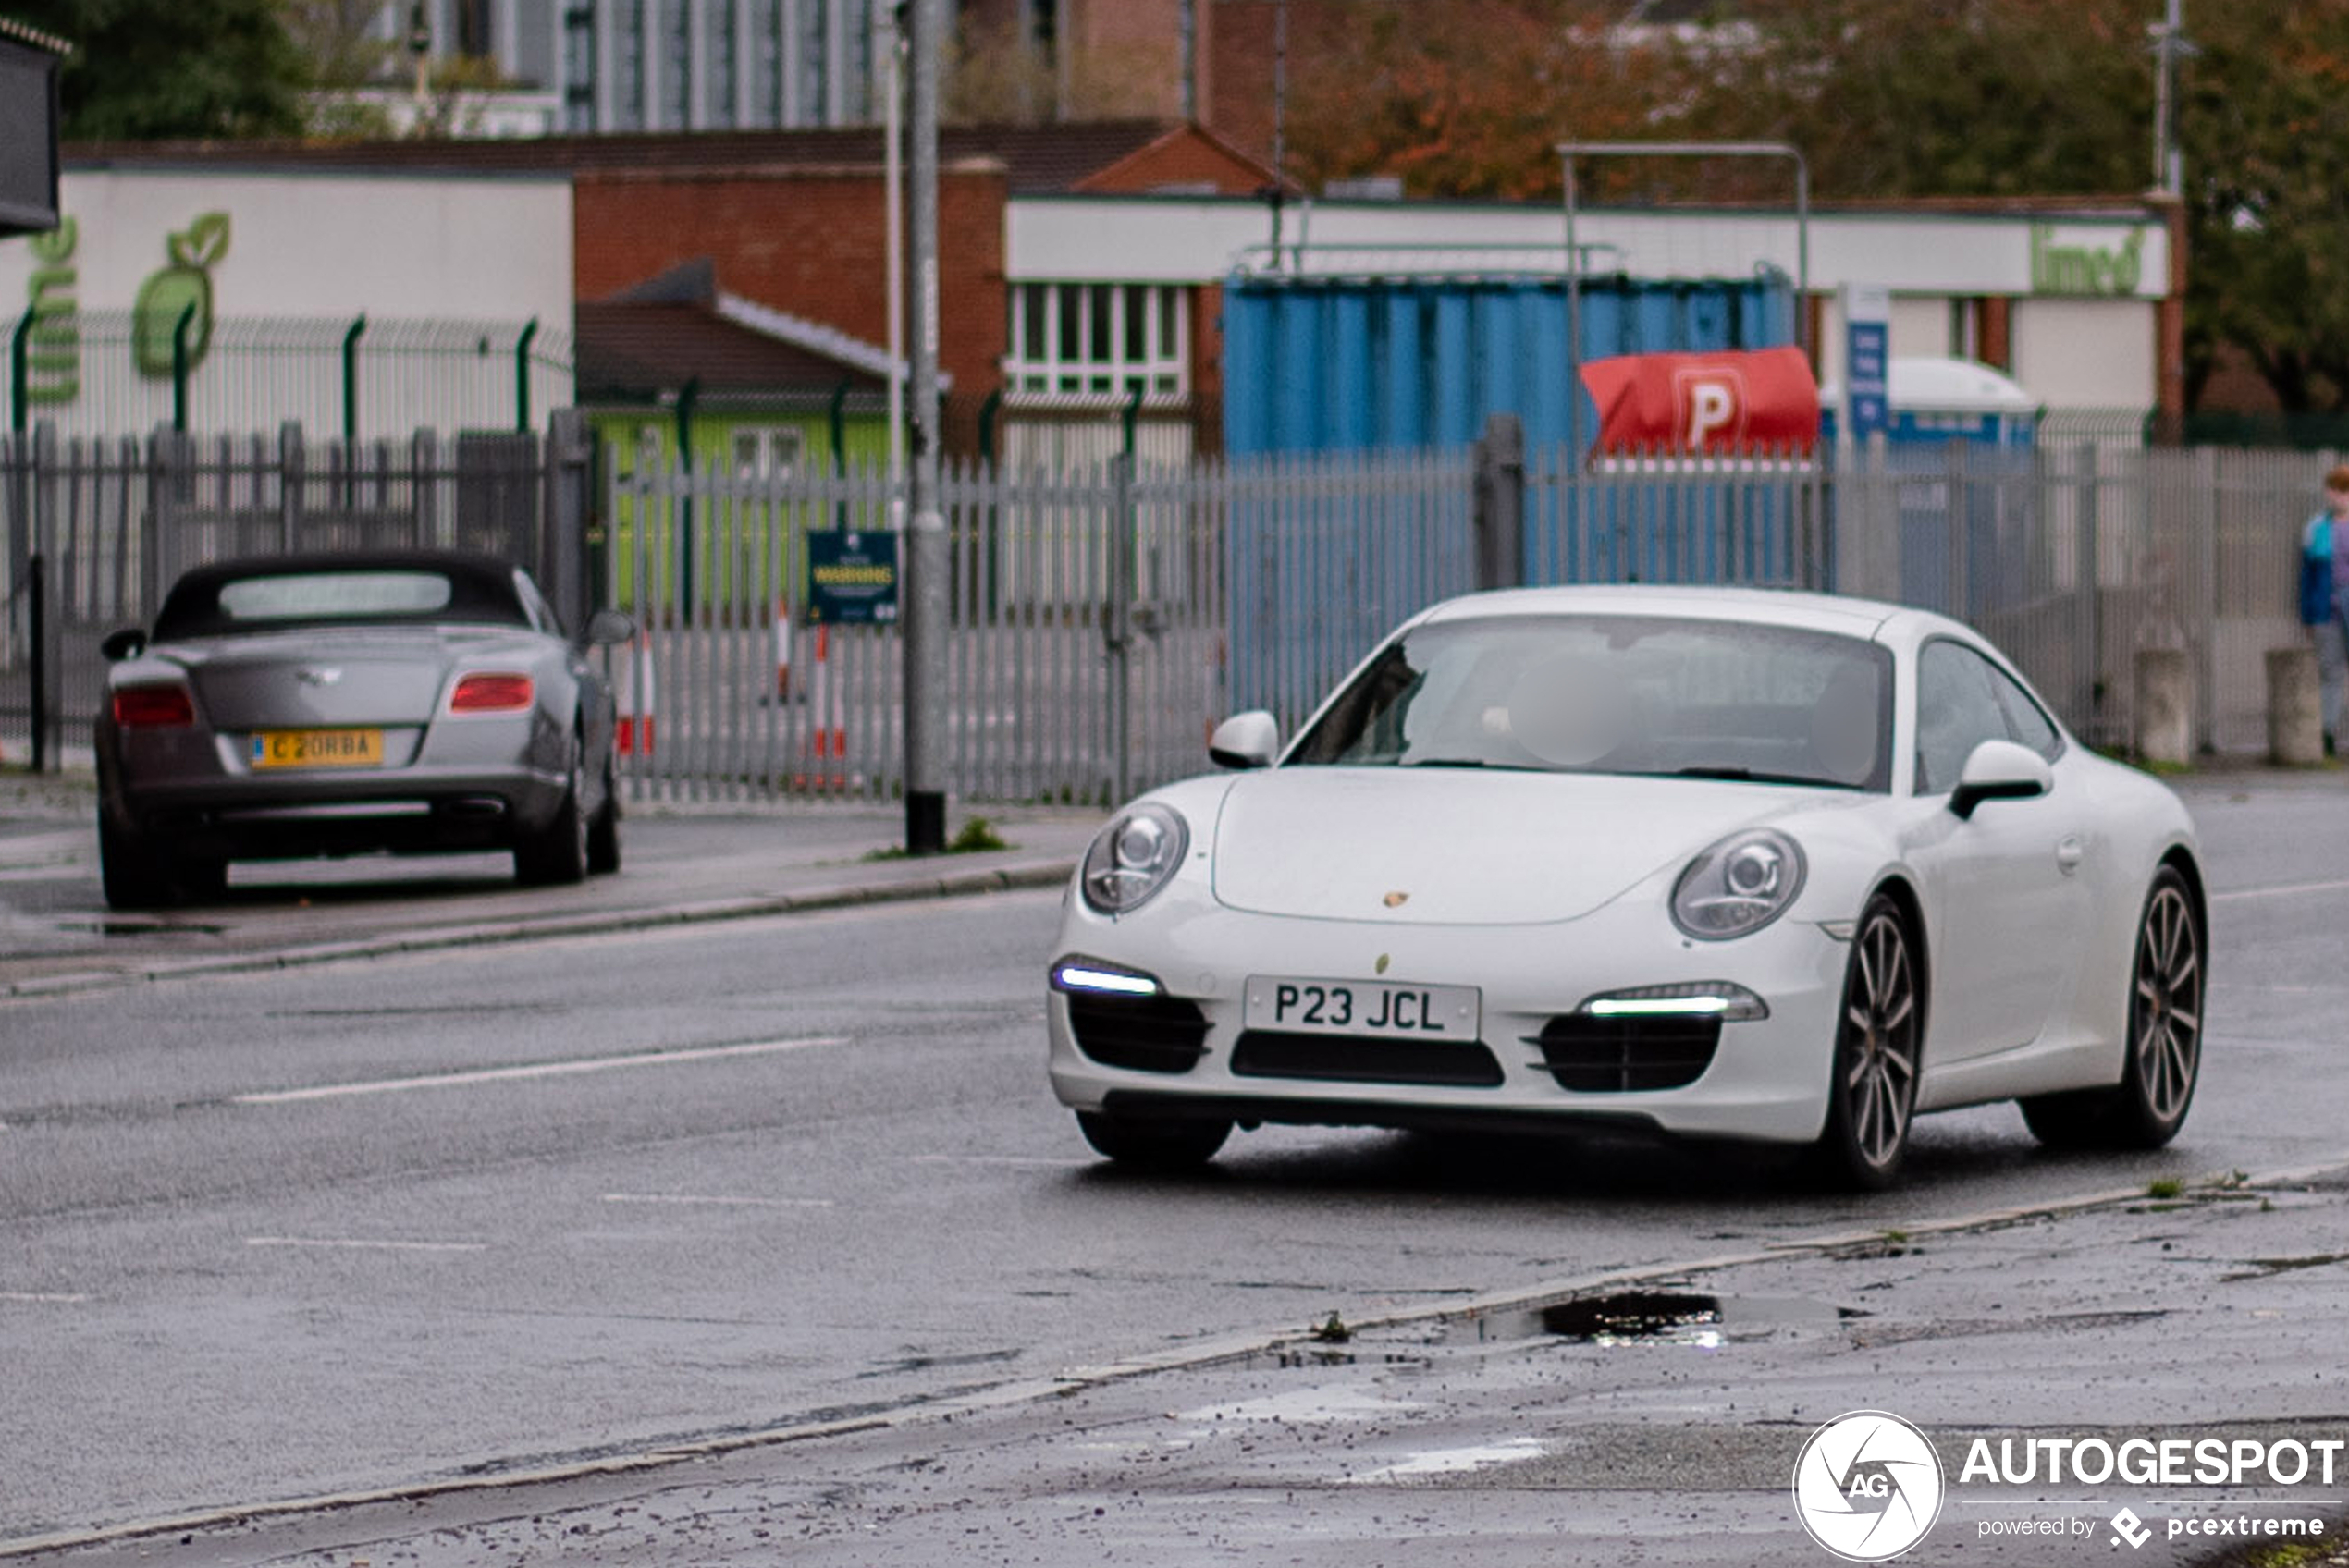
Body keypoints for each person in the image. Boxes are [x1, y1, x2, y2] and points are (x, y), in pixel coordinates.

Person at [2301, 463, 2349, 756]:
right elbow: (2307, 575)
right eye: (2333, 489)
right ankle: (2328, 731)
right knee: (2330, 672)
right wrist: (2308, 615)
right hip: (2327, 612)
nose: (2337, 496)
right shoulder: (2317, 528)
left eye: (2343, 490)